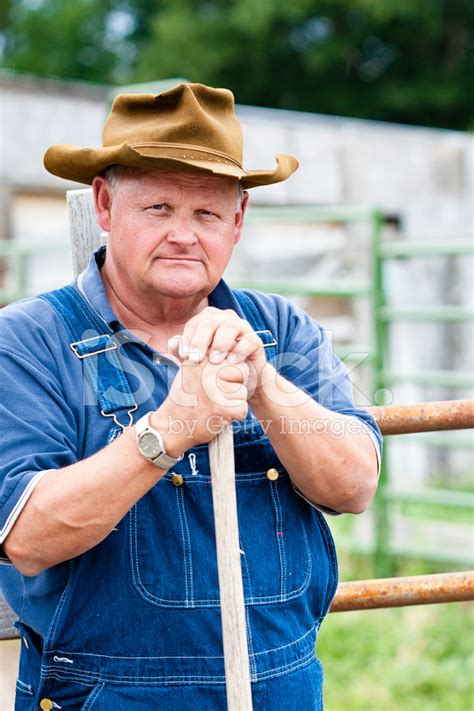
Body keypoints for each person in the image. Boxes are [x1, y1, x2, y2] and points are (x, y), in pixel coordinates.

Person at [0, 83, 381, 710]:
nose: (183, 234)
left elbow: (355, 485)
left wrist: (263, 382)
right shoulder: (27, 342)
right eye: (158, 208)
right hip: (103, 696)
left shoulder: (280, 329)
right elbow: (29, 537)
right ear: (104, 204)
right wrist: (172, 427)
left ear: (238, 220)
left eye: (206, 214)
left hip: (279, 690)